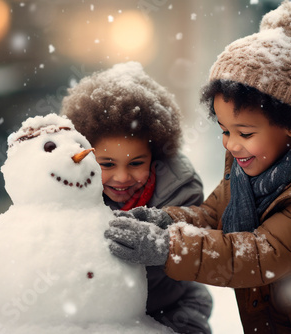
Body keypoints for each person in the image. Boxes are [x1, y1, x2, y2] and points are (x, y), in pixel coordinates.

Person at [104, 1, 291, 333]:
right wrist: (165, 219)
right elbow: (213, 216)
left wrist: (167, 246)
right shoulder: (250, 170)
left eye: (244, 133)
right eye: (225, 131)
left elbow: (258, 255)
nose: (231, 144)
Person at [60, 61, 213, 334]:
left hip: (170, 307)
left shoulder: (180, 191)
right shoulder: (68, 186)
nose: (121, 178)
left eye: (135, 163)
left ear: (156, 154)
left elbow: (191, 252)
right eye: (106, 164)